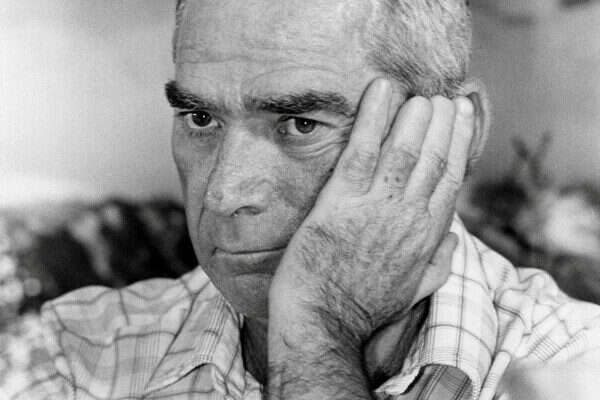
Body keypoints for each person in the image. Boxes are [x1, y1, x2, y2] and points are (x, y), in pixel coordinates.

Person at [3, 1, 600, 399]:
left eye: (301, 124)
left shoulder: (574, 365)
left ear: (457, 134)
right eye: (200, 118)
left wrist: (316, 335)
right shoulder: (68, 359)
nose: (224, 193)